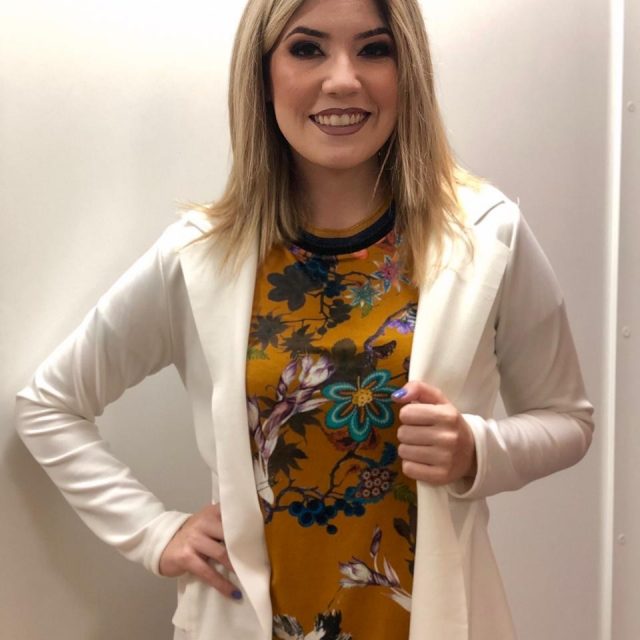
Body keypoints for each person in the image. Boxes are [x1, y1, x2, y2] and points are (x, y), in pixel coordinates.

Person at [15, 0, 594, 638]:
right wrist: (155, 534)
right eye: (307, 48)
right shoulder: (201, 256)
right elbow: (49, 404)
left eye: (374, 49)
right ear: (262, 74)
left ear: (408, 69)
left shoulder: (486, 237)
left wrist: (477, 450)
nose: (343, 79)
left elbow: (568, 419)